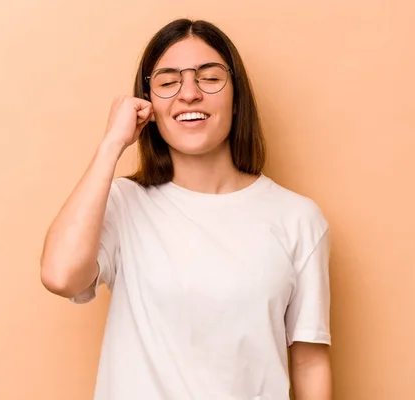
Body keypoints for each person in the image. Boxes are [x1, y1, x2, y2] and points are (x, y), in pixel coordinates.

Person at [40, 18, 332, 400]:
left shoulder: (298, 219)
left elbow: (310, 361)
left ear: (236, 95)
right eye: (167, 81)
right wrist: (112, 142)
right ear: (147, 104)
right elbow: (61, 277)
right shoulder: (123, 203)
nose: (189, 94)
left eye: (209, 78)